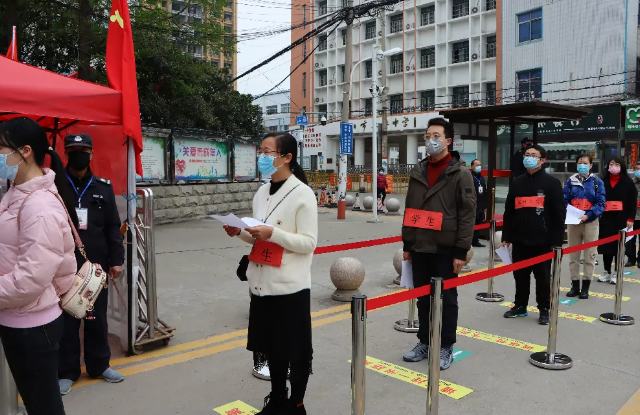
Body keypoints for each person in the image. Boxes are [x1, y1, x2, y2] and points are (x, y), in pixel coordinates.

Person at [224, 132, 318, 415]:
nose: (261, 157)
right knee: (272, 348)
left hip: (290, 287)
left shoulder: (303, 193)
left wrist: (273, 233)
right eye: (261, 151)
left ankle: (296, 404)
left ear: (287, 157)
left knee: (296, 351)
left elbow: (308, 243)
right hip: (261, 283)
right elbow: (257, 236)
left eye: (268, 152)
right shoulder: (262, 192)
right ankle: (277, 399)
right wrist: (239, 231)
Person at [0, 117, 79, 415]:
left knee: (43, 406)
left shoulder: (39, 206)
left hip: (32, 324)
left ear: (25, 151)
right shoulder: (17, 193)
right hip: (18, 316)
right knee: (37, 403)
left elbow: (29, 280)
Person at [401, 118, 476, 370]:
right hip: (420, 246)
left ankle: (445, 345)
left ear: (448, 141)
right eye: (428, 136)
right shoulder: (418, 171)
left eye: (436, 136)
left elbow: (467, 215)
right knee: (423, 298)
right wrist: (408, 244)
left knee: (447, 299)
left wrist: (461, 251)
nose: (431, 140)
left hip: (446, 248)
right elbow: (410, 209)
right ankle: (424, 341)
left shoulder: (460, 174)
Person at [58, 133, 125, 395]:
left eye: (84, 150)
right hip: (65, 266)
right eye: (74, 150)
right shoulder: (55, 185)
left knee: (97, 318)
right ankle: (67, 372)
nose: (79, 155)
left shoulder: (103, 187)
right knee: (68, 320)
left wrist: (116, 261)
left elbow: (113, 228)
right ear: (66, 154)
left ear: (91, 154)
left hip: (97, 267)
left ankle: (99, 365)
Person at [502, 144, 565, 325]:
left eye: (533, 155)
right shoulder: (517, 182)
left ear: (542, 160)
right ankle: (520, 305)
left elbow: (559, 214)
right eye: (526, 154)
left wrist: (556, 240)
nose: (528, 157)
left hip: (542, 240)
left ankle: (544, 308)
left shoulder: (551, 183)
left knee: (543, 277)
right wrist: (506, 235)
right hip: (519, 239)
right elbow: (509, 211)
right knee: (520, 275)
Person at [563, 154, 606, 299]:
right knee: (573, 255)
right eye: (580, 162)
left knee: (590, 255)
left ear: (591, 165)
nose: (582, 165)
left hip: (591, 221)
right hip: (574, 221)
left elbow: (601, 203)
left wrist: (588, 215)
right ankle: (575, 285)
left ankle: (586, 287)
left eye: (585, 163)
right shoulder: (570, 181)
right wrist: (571, 212)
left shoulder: (597, 182)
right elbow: (564, 199)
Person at [597, 157, 637, 284]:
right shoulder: (602, 181)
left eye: (617, 164)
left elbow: (632, 202)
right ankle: (607, 271)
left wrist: (630, 218)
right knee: (606, 247)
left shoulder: (628, 182)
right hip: (606, 219)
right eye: (611, 164)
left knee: (618, 247)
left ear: (622, 166)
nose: (614, 166)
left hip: (621, 219)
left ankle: (616, 272)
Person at [624, 161, 640, 267]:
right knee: (630, 240)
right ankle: (631, 259)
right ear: (634, 170)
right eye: (637, 169)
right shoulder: (630, 183)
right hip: (632, 216)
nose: (638, 171)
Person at [470, 159, 487, 247]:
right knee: (472, 224)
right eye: (477, 165)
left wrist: (485, 205)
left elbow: (484, 192)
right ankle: (470, 241)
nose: (479, 167)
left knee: (478, 223)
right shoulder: (470, 177)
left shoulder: (481, 178)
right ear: (472, 166)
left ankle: (476, 241)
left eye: (480, 165)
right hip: (473, 205)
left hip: (481, 205)